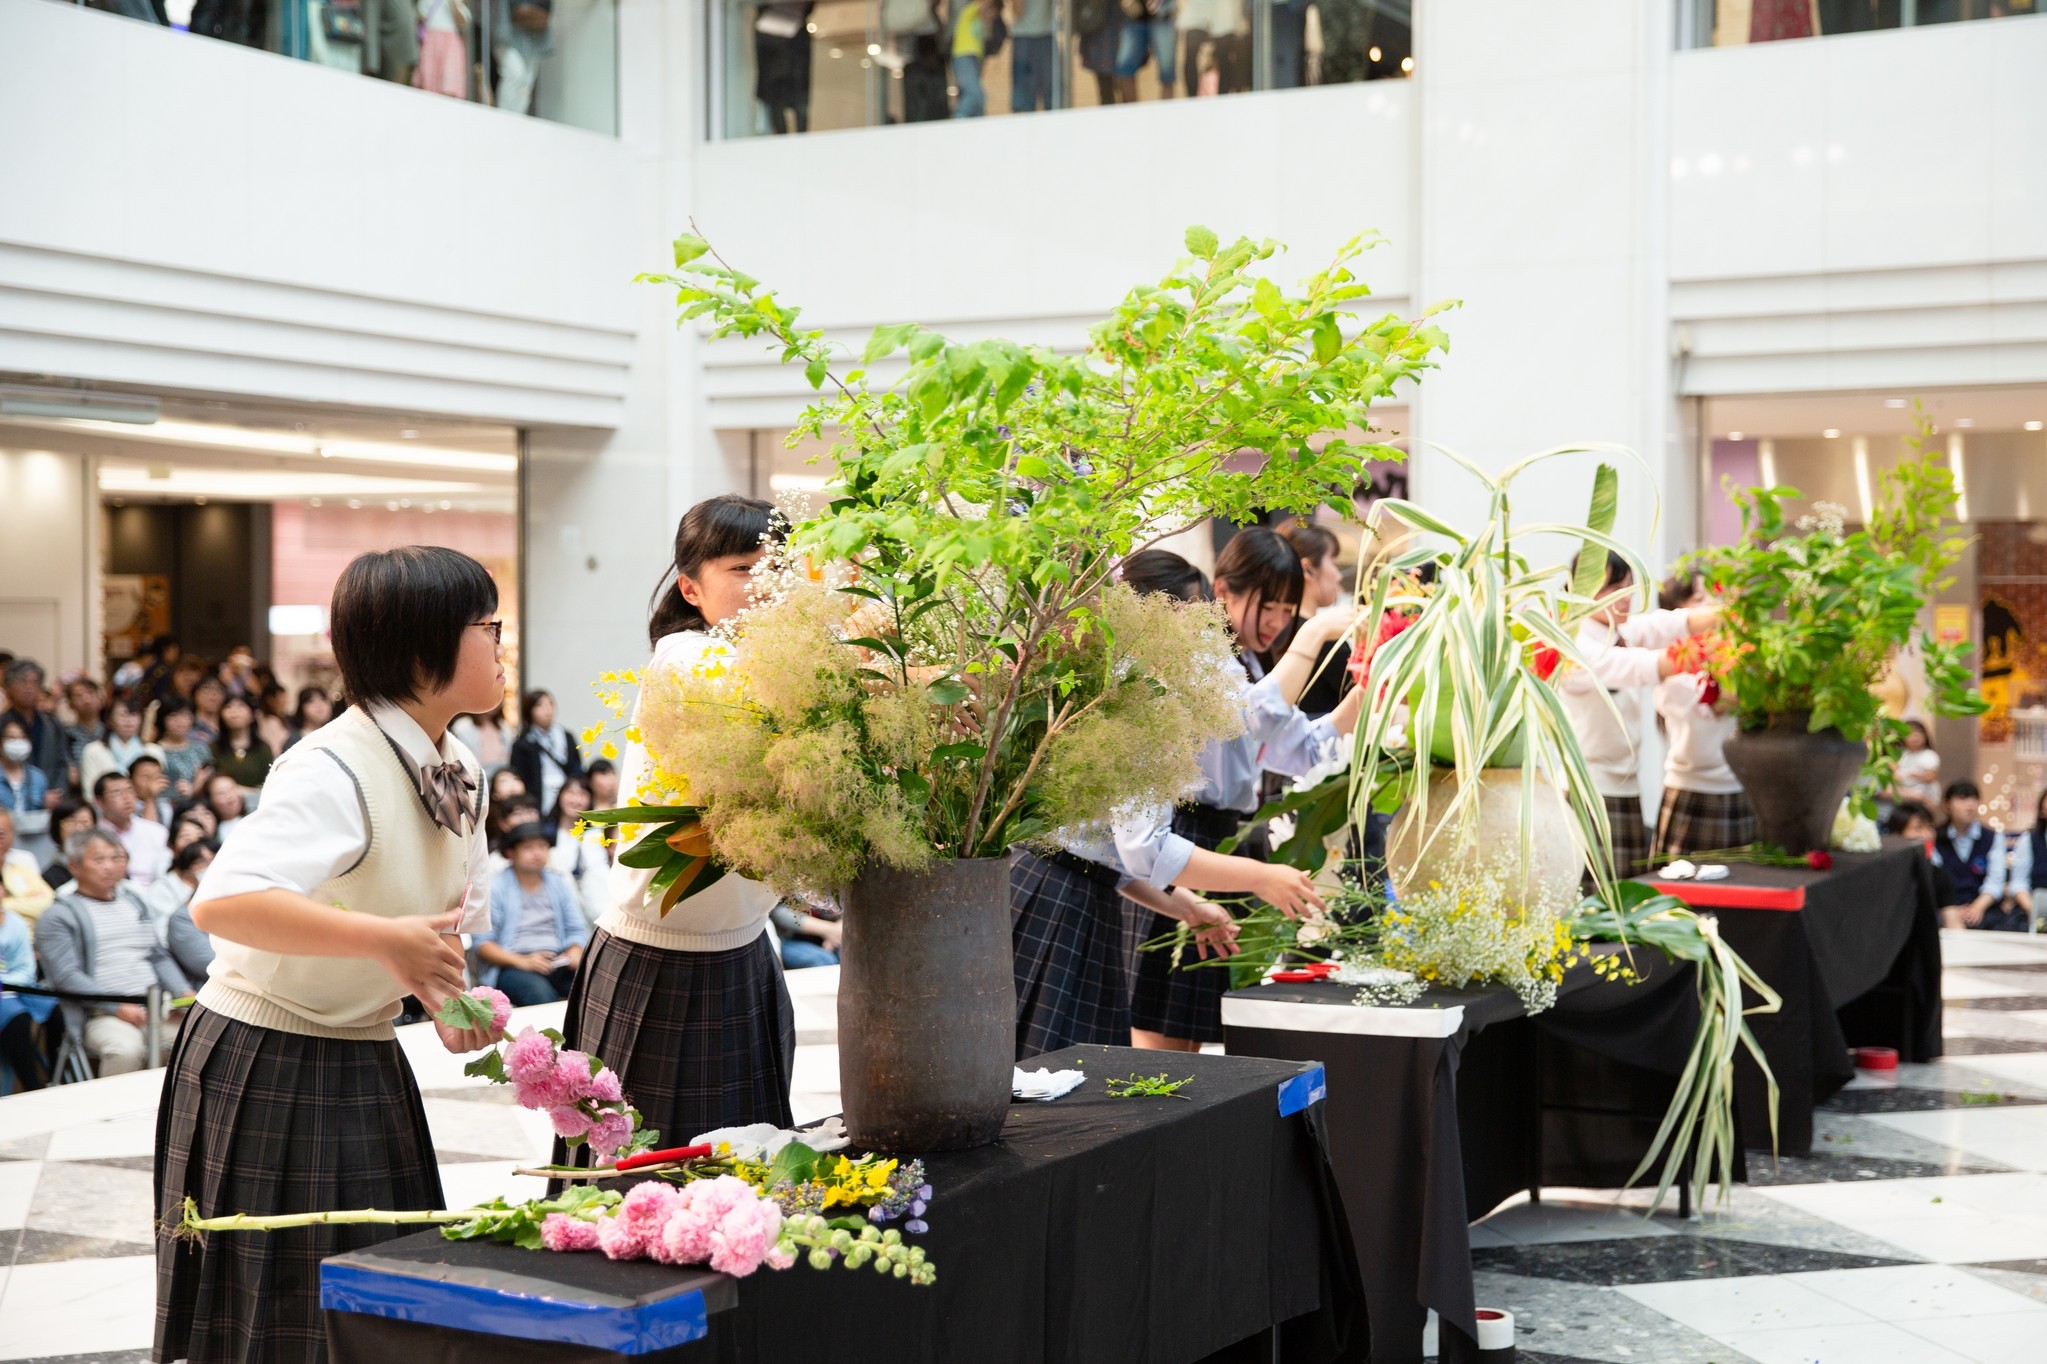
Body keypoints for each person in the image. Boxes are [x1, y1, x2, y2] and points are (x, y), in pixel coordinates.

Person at [157, 545, 501, 1364]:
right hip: (266, 1055)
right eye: (488, 627)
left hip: (359, 1053)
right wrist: (388, 944)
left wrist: (444, 1000)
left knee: (382, 1309)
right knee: (282, 1323)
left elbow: (437, 921)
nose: (501, 645)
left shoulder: (459, 766)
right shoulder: (330, 764)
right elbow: (224, 902)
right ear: (424, 651)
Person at [558, 494, 794, 1168]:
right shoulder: (686, 658)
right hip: (658, 962)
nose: (770, 583)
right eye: (746, 569)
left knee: (749, 1181)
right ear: (690, 588)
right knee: (636, 1190)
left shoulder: (784, 667)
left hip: (744, 954)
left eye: (783, 566)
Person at [1118, 536, 1366, 1052]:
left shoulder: (1247, 667)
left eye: (1286, 609)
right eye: (1268, 605)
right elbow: (1259, 717)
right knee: (1158, 1042)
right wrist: (1315, 631)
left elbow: (1298, 748)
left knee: (1189, 1041)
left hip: (1220, 841)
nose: (1277, 621)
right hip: (1182, 837)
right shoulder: (1201, 660)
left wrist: (1368, 689)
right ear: (1223, 592)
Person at [1555, 552, 1717, 880]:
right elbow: (1640, 666)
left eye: (1628, 588)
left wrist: (1728, 613)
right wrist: (1707, 652)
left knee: (1624, 905)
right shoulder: (1574, 646)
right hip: (1590, 792)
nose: (1625, 599)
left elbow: (1669, 622)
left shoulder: (1621, 631)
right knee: (1594, 910)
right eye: (1613, 589)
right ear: (1581, 590)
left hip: (1625, 788)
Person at [37, 829, 192, 1077]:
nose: (110, 866)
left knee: (199, 1040)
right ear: (73, 866)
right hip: (101, 1015)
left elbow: (157, 955)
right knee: (125, 1050)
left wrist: (182, 992)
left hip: (155, 1008)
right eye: (99, 860)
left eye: (117, 858)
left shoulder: (134, 902)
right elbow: (66, 976)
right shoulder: (58, 916)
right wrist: (116, 1006)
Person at [1652, 661, 1757, 859]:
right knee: (1679, 884)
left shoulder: (1750, 652)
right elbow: (1668, 692)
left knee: (1743, 882)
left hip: (1742, 787)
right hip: (1688, 788)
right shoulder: (1679, 655)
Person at [478, 821, 590, 1005]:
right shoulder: (495, 887)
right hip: (514, 965)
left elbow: (576, 928)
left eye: (542, 846)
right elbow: (483, 945)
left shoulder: (558, 882)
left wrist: (575, 950)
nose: (537, 853)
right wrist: (523, 961)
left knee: (593, 987)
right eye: (528, 847)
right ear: (510, 853)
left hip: (557, 961)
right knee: (540, 995)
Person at [143, 839, 219, 985]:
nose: (212, 867)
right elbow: (210, 964)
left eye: (215, 859)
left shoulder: (236, 907)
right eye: (202, 863)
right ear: (188, 875)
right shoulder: (182, 918)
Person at [1, 888, 54, 1090]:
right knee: (18, 1019)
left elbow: (26, 967)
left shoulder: (15, 922)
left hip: (17, 985)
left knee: (56, 1010)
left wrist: (11, 984)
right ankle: (32, 1086)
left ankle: (56, 1076)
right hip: (4, 995)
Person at [1934, 781, 1999, 930]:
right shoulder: (1935, 837)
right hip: (1945, 907)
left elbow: (1995, 880)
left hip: (1983, 907)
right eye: (1962, 799)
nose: (1970, 805)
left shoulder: (1992, 837)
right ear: (1947, 805)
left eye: (1974, 799)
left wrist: (1977, 907)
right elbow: (1935, 879)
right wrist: (1952, 909)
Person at [510, 689, 583, 821]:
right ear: (530, 710)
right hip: (539, 796)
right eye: (540, 705)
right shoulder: (523, 742)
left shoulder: (566, 736)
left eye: (550, 704)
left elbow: (577, 767)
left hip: (565, 791)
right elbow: (520, 775)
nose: (547, 710)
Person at [1, 659, 69, 800]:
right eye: (23, 682)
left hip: (51, 798)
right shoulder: (2, 723)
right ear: (8, 687)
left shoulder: (53, 723)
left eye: (35, 682)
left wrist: (57, 792)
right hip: (11, 800)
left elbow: (62, 762)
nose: (29, 688)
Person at [546, 774, 610, 923]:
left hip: (594, 902)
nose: (576, 800)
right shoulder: (546, 832)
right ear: (560, 795)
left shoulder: (597, 831)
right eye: (571, 792)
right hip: (556, 904)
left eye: (583, 794)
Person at [97, 771, 172, 888]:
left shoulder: (156, 831)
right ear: (100, 802)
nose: (126, 797)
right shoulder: (93, 837)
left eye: (130, 790)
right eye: (117, 792)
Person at [0, 713, 54, 867]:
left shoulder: (38, 777)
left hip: (34, 843)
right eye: (11, 738)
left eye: (22, 738)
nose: (17, 743)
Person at [80, 697, 161, 799]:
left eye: (133, 715)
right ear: (110, 719)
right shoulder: (93, 751)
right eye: (122, 715)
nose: (128, 720)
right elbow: (89, 794)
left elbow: (159, 790)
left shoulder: (154, 751)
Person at [209, 694, 275, 793]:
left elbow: (271, 783)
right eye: (228, 706)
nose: (234, 711)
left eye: (241, 706)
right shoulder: (213, 748)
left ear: (252, 715)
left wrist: (244, 791)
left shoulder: (263, 748)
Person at [947, 0, 1002, 117]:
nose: (991, 16)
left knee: (979, 101)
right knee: (975, 94)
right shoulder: (969, 12)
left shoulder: (982, 26)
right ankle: (958, 117)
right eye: (991, 12)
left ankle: (977, 124)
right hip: (963, 56)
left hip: (974, 60)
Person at [1115, 0, 1176, 103]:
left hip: (1162, 16)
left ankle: (1165, 116)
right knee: (1124, 69)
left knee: (1167, 72)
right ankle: (1132, 116)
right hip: (1134, 17)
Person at [0, 809, 53, 925]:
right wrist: (25, 902)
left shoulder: (23, 862)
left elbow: (47, 903)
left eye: (1, 835)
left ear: (13, 835)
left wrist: (3, 904)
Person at [154, 698, 213, 799]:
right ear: (163, 719)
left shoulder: (201, 748)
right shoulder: (155, 751)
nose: (180, 721)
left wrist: (195, 788)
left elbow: (211, 782)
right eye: (173, 715)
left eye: (185, 715)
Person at [770, 898, 844, 969]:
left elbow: (849, 906)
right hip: (787, 938)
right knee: (824, 960)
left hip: (833, 931)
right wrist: (830, 930)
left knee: (846, 953)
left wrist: (838, 930)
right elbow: (779, 913)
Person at [1009, 0, 1056, 110]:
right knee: (1027, 95)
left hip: (1039, 35)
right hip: (1030, 36)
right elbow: (1017, 10)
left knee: (1052, 93)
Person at [63, 676, 107, 791]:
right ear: (70, 705)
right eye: (79, 696)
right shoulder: (65, 735)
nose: (86, 700)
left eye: (91, 693)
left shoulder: (111, 732)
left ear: (101, 699)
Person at [41, 799, 96, 893]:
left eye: (85, 822)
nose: (79, 828)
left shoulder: (108, 865)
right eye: (71, 822)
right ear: (57, 828)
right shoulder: (49, 877)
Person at [1893, 720, 1942, 810]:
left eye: (1919, 733)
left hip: (1925, 792)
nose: (1915, 736)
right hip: (1905, 793)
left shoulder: (1929, 755)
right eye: (1910, 733)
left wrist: (1919, 777)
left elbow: (1932, 776)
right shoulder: (1900, 755)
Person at [452, 706, 512, 774]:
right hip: (474, 777)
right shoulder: (462, 727)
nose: (495, 704)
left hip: (501, 777)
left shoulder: (504, 726)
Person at [130, 754, 175, 826]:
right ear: (130, 780)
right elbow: (148, 833)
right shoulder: (127, 806)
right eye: (146, 777)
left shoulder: (165, 807)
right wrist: (150, 798)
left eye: (156, 777)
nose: (152, 782)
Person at [202, 773, 248, 841]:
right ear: (210, 800)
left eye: (232, 789)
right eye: (221, 793)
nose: (230, 796)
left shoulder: (258, 814)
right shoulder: (212, 835)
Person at [292, 686, 336, 750]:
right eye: (311, 701)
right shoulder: (295, 740)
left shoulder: (336, 734)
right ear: (301, 708)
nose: (319, 705)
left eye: (323, 699)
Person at [190, 674, 227, 746]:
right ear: (195, 696)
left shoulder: (229, 725)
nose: (213, 693)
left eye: (218, 689)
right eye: (207, 689)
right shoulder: (188, 725)